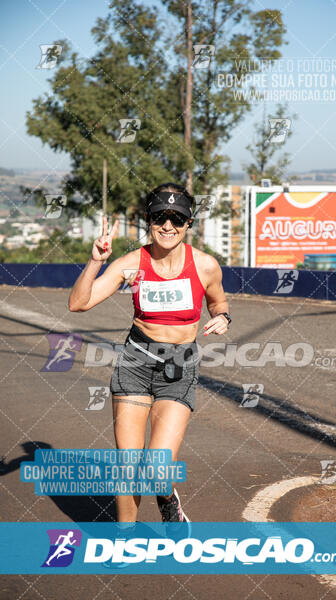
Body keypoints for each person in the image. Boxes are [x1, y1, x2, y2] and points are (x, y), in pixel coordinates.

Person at [68, 182, 231, 531]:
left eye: (177, 218)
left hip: (180, 367)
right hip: (136, 363)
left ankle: (167, 498)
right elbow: (78, 303)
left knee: (157, 470)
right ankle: (125, 535)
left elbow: (218, 301)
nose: (168, 225)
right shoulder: (131, 264)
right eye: (160, 217)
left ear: (188, 223)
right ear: (148, 219)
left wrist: (222, 316)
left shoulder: (205, 266)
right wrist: (95, 262)